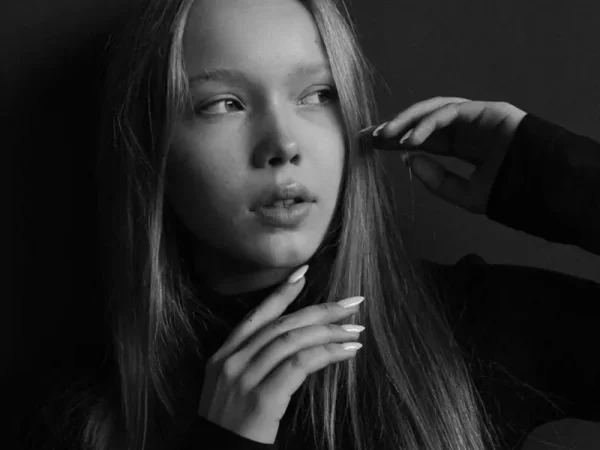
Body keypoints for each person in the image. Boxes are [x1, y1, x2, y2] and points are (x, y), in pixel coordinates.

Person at [20, 0, 600, 449]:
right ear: (152, 149)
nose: (283, 143)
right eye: (223, 103)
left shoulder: (472, 326)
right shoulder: (86, 414)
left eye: (317, 94)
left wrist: (559, 176)